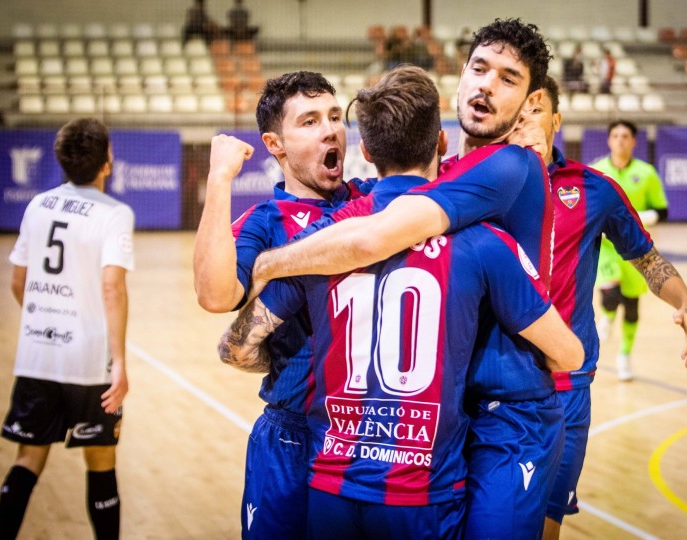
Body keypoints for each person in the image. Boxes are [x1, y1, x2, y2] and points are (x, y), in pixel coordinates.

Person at [219, 65, 583, 539]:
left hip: (333, 480)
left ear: (366, 152)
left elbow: (235, 346)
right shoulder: (482, 240)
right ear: (441, 145)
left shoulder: (315, 245)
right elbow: (568, 355)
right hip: (423, 490)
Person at [193, 71, 374, 539]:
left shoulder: (373, 202)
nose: (331, 129)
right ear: (275, 144)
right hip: (292, 433)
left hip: (370, 434)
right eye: (310, 121)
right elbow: (215, 295)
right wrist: (219, 178)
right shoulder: (265, 222)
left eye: (335, 116)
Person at [526, 78, 687, 539]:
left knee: (548, 522)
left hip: (568, 387)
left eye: (537, 109)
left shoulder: (594, 189)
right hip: (497, 389)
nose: (526, 119)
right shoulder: (475, 183)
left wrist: (685, 300)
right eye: (518, 110)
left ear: (556, 121)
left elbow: (646, 258)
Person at [0, 118, 133, 540]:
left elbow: (19, 282)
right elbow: (112, 286)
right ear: (107, 161)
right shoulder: (115, 213)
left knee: (27, 459)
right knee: (101, 461)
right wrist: (120, 361)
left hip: (38, 357)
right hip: (89, 362)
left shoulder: (37, 205)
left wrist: (48, 320)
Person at [591, 120, 670, 381]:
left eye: (626, 136)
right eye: (615, 135)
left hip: (635, 249)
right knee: (611, 295)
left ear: (634, 141)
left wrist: (638, 219)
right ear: (608, 140)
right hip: (606, 248)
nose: (620, 140)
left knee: (632, 307)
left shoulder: (646, 173)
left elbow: (662, 211)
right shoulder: (597, 171)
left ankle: (625, 356)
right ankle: (607, 316)